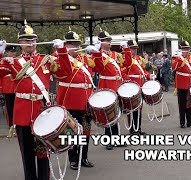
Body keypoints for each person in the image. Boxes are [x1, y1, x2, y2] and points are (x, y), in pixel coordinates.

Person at [0, 20, 72, 180]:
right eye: (26, 40)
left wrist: (61, 51)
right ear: (19, 43)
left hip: (42, 113)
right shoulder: (13, 62)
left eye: (32, 40)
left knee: (43, 153)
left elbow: (65, 72)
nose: (30, 43)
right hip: (23, 114)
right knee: (27, 155)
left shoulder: (46, 60)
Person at [56, 28, 104, 170]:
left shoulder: (84, 58)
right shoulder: (59, 57)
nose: (76, 47)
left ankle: (83, 157)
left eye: (77, 44)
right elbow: (62, 71)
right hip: (70, 100)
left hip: (86, 100)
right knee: (72, 131)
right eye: (72, 44)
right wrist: (62, 51)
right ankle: (73, 159)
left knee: (86, 131)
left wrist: (97, 53)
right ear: (65, 45)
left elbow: (99, 68)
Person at [94, 28, 124, 150]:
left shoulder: (114, 54)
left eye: (109, 40)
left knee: (116, 114)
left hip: (116, 85)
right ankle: (108, 140)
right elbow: (99, 68)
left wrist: (126, 49)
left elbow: (125, 63)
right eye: (106, 40)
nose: (109, 42)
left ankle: (116, 138)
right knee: (108, 115)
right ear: (100, 42)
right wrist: (96, 52)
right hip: (106, 85)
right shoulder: (97, 54)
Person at [121, 40, 156, 135]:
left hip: (140, 86)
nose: (134, 50)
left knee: (139, 108)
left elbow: (143, 71)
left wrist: (149, 76)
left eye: (135, 48)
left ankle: (138, 128)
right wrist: (129, 82)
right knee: (131, 108)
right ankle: (132, 129)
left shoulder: (139, 58)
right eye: (132, 48)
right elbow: (123, 73)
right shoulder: (124, 59)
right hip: (131, 87)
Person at [172, 40, 191, 128]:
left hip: (190, 82)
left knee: (189, 103)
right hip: (181, 83)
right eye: (185, 49)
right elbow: (174, 68)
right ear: (181, 50)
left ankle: (190, 121)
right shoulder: (176, 58)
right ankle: (182, 122)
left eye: (188, 49)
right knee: (182, 103)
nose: (187, 50)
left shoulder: (190, 58)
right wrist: (179, 58)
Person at [0, 45, 17, 137]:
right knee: (9, 110)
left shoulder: (18, 60)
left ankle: (17, 125)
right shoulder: (3, 61)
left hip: (17, 89)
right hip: (7, 89)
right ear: (6, 52)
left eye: (14, 52)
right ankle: (11, 126)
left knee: (17, 110)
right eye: (11, 52)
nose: (13, 53)